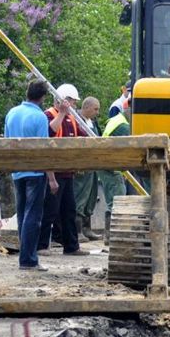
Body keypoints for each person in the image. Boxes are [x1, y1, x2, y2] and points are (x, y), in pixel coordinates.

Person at [3, 80, 55, 271]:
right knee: (33, 216)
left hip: (17, 171)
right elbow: (43, 149)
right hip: (35, 171)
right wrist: (51, 178)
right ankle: (28, 260)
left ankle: (25, 257)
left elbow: (6, 142)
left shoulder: (12, 113)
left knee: (23, 215)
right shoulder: (40, 117)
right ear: (42, 97)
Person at [40, 83, 83, 256]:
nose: (74, 105)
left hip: (67, 172)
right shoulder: (49, 115)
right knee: (49, 210)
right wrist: (51, 177)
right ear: (63, 100)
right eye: (72, 101)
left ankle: (71, 246)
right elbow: (49, 135)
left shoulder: (73, 118)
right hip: (54, 171)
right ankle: (42, 245)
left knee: (69, 210)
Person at [100, 100, 132, 243]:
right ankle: (113, 236)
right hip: (111, 167)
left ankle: (109, 235)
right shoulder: (123, 126)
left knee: (114, 199)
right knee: (117, 200)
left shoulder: (117, 119)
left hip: (108, 165)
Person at [71, 96, 103, 241]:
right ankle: (77, 231)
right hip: (82, 166)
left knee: (91, 196)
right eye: (95, 109)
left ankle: (87, 228)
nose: (97, 112)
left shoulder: (92, 122)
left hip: (93, 165)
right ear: (87, 107)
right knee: (80, 196)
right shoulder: (76, 120)